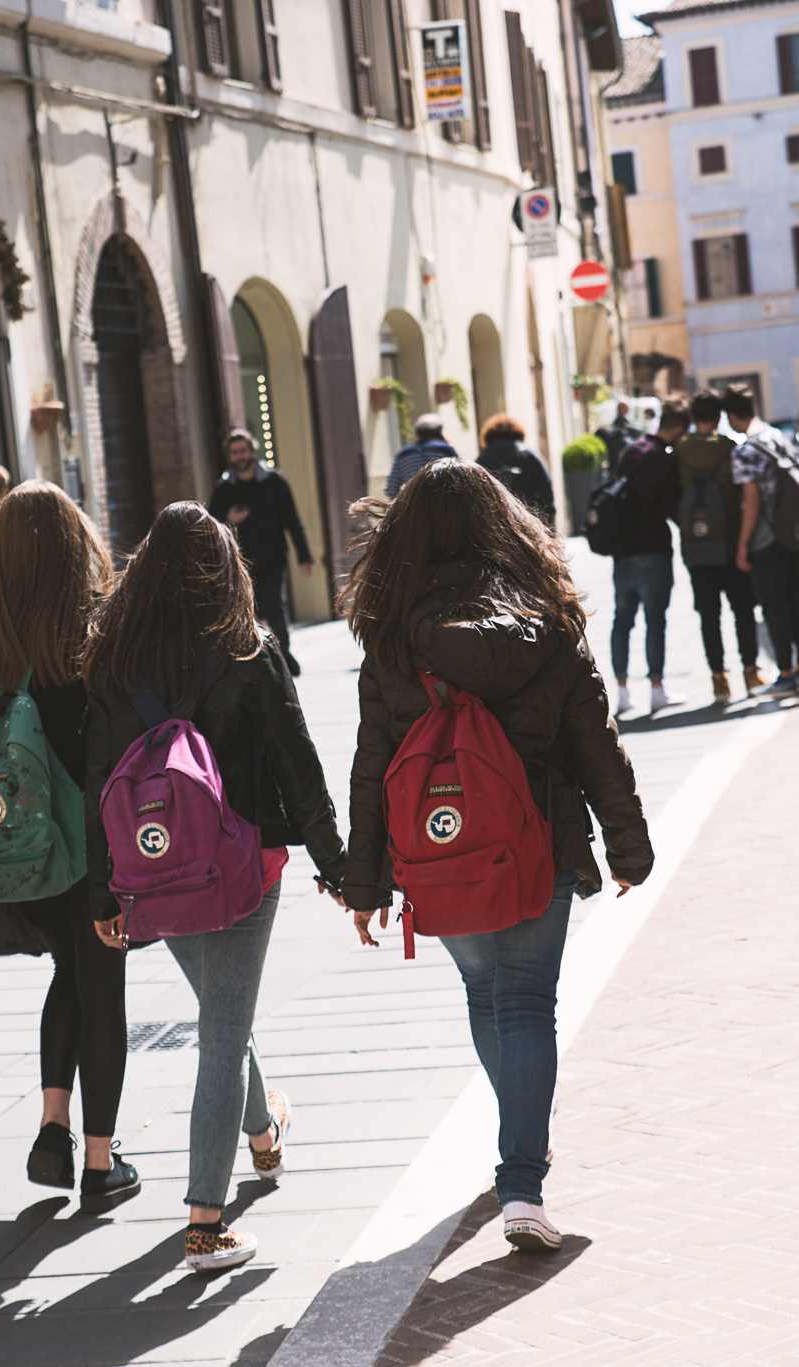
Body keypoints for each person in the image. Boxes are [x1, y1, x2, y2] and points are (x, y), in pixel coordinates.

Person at [339, 461, 654, 1254]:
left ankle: (520, 1145)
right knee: (524, 1003)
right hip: (533, 845)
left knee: (486, 993)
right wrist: (627, 842)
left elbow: (372, 764)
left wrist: (365, 878)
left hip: (436, 850)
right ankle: (522, 1181)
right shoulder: (543, 618)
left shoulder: (390, 633)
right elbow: (595, 743)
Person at [84, 502, 346, 1273]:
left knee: (222, 1011)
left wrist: (106, 894)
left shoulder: (108, 658)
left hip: (152, 873)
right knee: (223, 1031)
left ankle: (263, 1135)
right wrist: (338, 865)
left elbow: (95, 779)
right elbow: (299, 765)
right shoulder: (249, 648)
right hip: (239, 870)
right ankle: (206, 1220)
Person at [0, 481, 141, 1212]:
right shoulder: (93, 615)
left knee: (69, 975)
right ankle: (98, 1161)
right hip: (91, 835)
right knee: (103, 987)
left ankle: (52, 1129)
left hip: (17, 834)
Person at [205, 430, 317, 678]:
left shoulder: (274, 481)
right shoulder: (223, 489)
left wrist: (305, 556)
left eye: (244, 450)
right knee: (249, 613)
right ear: (229, 457)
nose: (240, 456)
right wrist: (228, 520)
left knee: (275, 608)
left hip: (273, 558)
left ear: (253, 452)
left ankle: (283, 656)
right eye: (235, 452)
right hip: (239, 565)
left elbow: (292, 519)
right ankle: (258, 662)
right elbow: (210, 526)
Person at [674, 394, 763, 701]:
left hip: (696, 548)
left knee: (708, 615)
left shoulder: (679, 450)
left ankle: (718, 679)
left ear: (693, 416)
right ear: (718, 417)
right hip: (730, 541)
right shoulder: (730, 448)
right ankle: (751, 672)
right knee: (742, 610)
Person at [728, 388, 799, 699]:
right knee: (797, 601)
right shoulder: (779, 437)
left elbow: (752, 500)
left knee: (774, 607)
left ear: (733, 416)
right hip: (794, 533)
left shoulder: (746, 450)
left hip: (767, 539)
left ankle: (786, 674)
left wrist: (742, 544)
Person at [605, 401, 686, 716]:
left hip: (623, 549)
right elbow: (671, 506)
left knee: (622, 620)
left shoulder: (631, 450)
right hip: (653, 547)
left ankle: (623, 692)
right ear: (678, 429)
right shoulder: (664, 457)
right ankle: (656, 689)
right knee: (655, 620)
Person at [476, 414, 557, 528]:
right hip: (528, 523)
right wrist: (549, 525)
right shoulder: (529, 455)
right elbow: (546, 490)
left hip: (496, 527)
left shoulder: (482, 460)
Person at [385, 412, 460, 498]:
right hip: (443, 503)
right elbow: (460, 480)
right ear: (439, 432)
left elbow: (391, 489)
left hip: (412, 505)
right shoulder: (446, 451)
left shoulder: (403, 454)